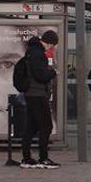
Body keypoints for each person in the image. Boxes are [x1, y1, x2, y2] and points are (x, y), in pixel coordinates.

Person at [21, 30, 60, 169]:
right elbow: (41, 75)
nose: (52, 48)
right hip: (37, 94)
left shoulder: (31, 51)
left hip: (31, 93)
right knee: (46, 125)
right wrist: (53, 72)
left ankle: (26, 158)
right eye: (52, 45)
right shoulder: (38, 53)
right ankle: (43, 158)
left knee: (31, 127)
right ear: (48, 42)